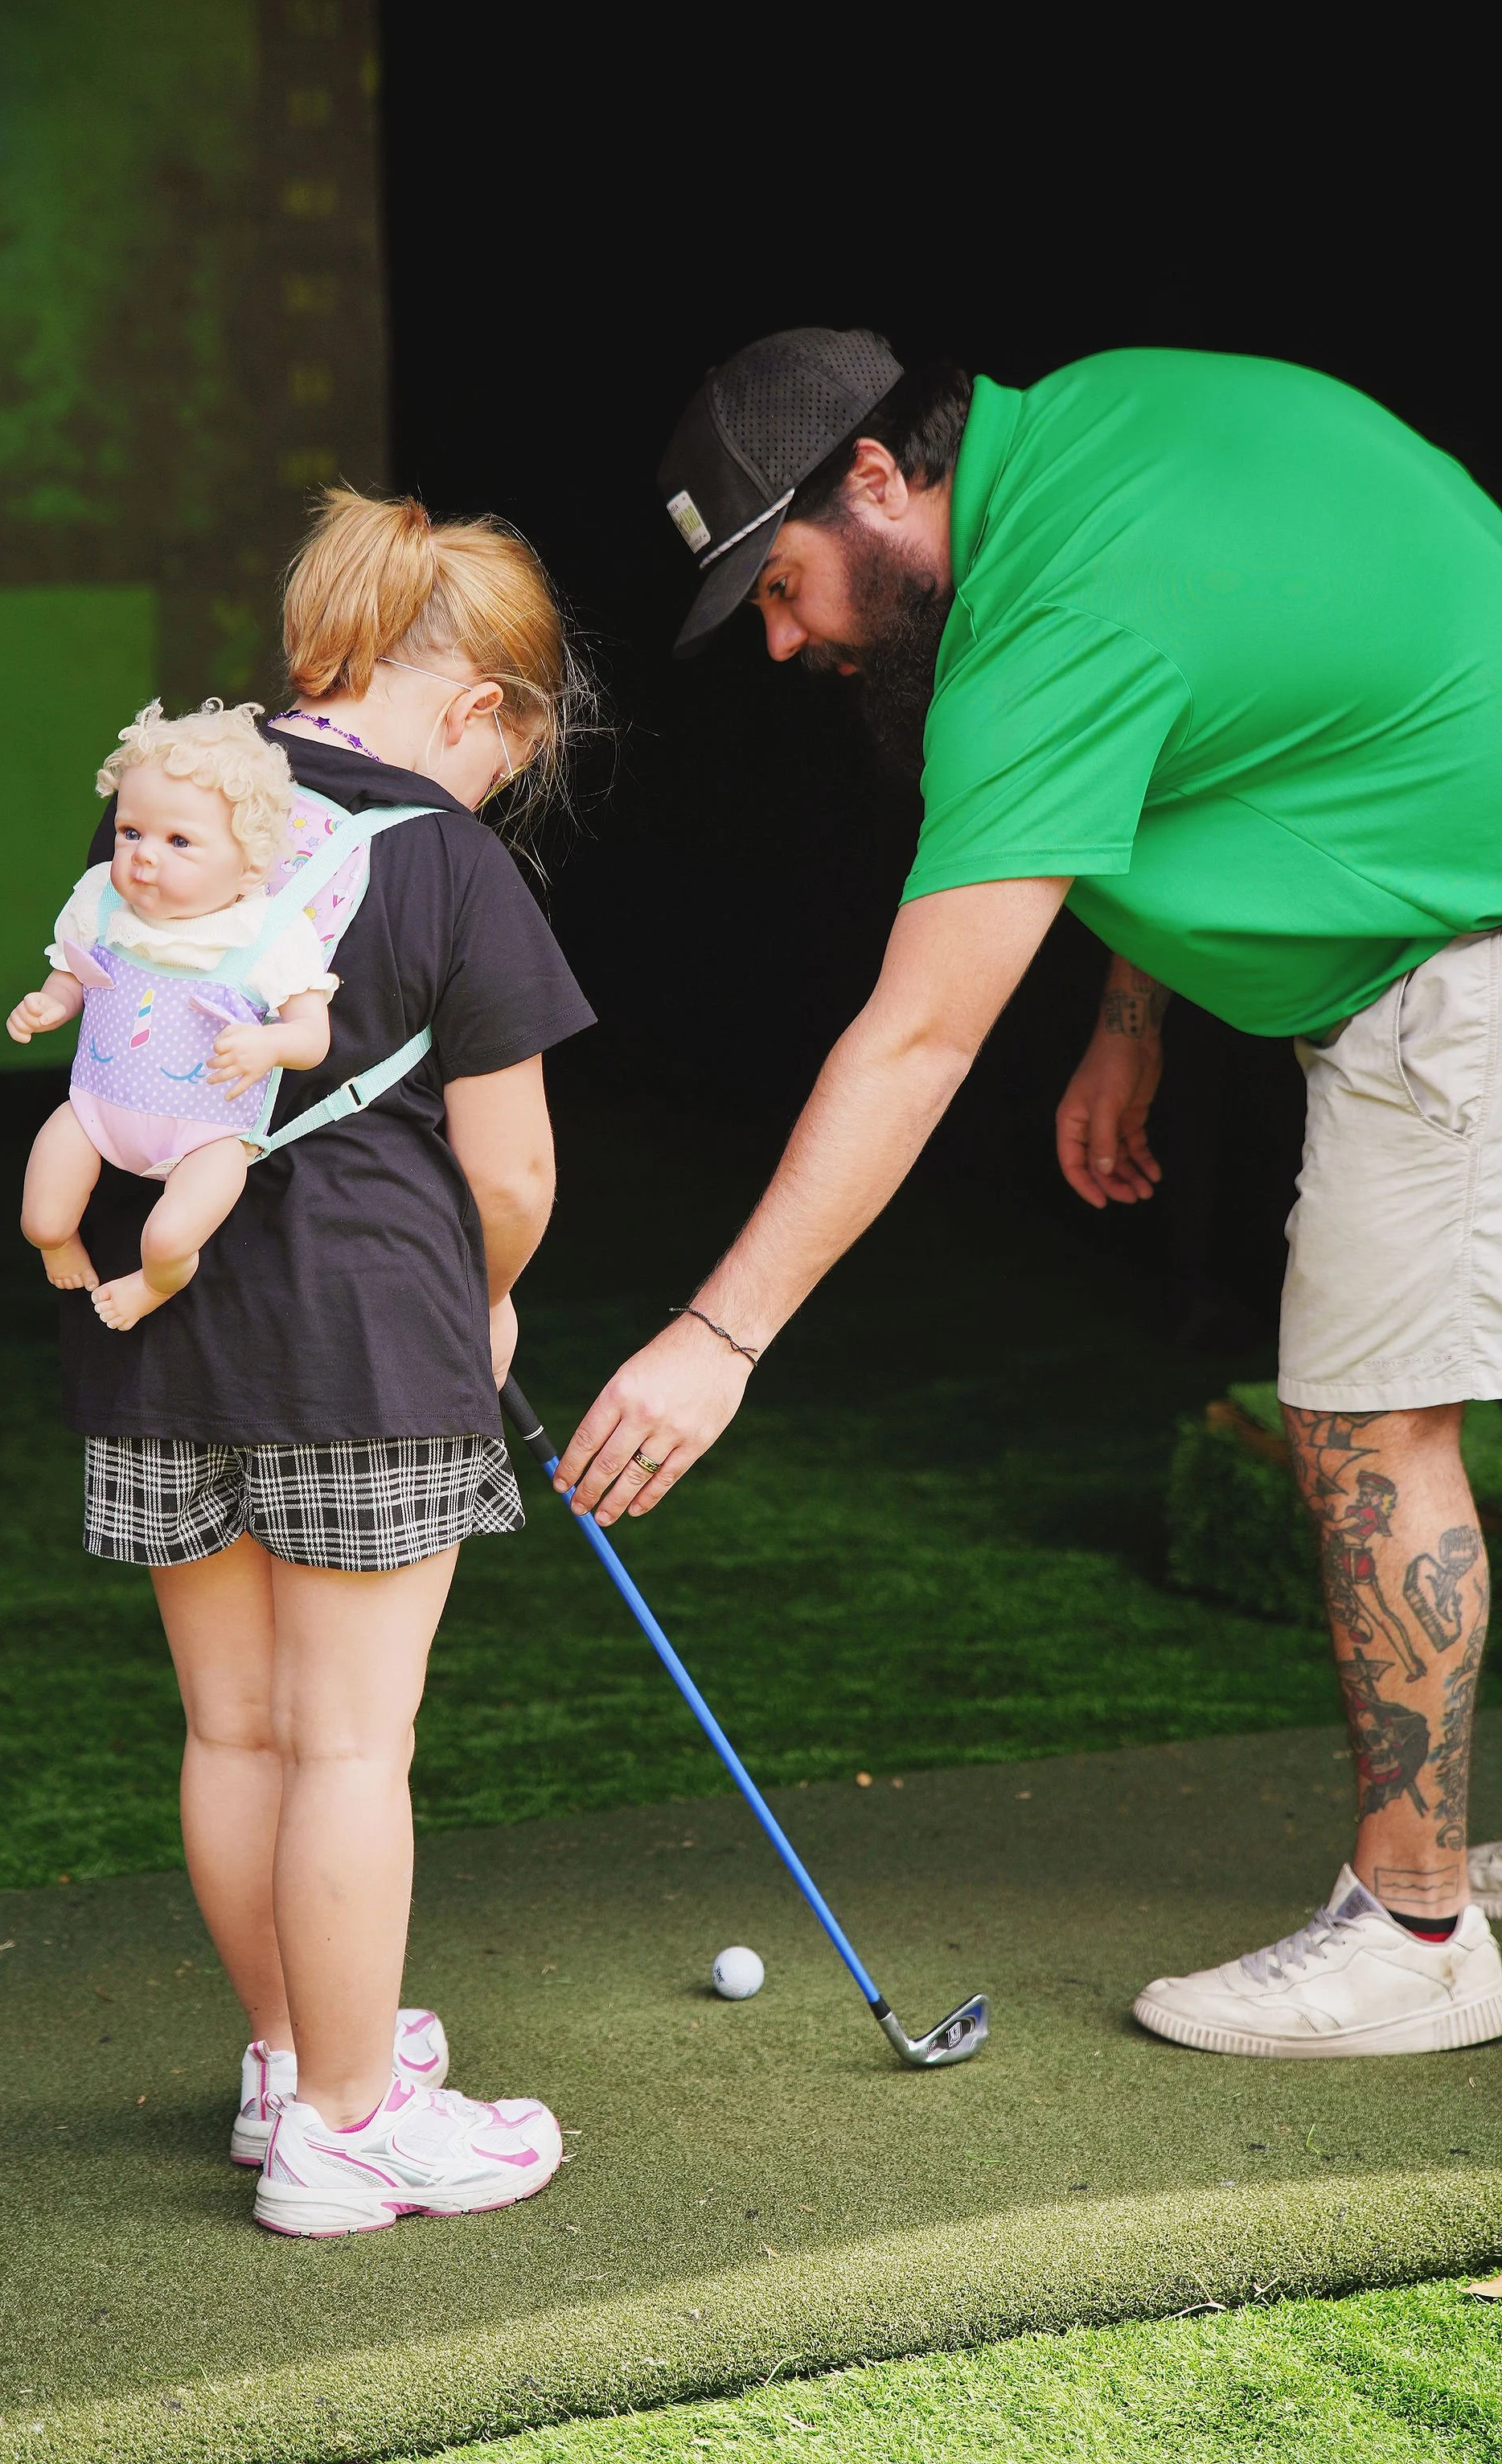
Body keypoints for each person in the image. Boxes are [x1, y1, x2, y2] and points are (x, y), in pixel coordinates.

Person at [560, 329, 1502, 2060]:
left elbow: (914, 1042)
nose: (785, 643)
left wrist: (719, 1333)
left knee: (1371, 1436)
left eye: (778, 591)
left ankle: (1420, 1928)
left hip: (1460, 966)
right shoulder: (1103, 422)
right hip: (1440, 906)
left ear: (870, 481)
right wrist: (1133, 1015)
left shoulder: (1038, 632)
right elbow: (1241, 706)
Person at [63, 487, 597, 2232]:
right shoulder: (443, 858)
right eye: (513, 750)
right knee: (354, 1745)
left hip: (160, 1329)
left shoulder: (178, 820)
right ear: (475, 710)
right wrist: (492, 1293)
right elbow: (510, 1172)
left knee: (235, 1732)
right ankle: (355, 2127)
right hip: (366, 1341)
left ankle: (293, 2068)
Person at [8, 700, 339, 1332]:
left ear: (250, 863)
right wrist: (52, 1002)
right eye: (131, 832)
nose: (143, 855)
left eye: (179, 841)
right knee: (41, 1216)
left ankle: (155, 1286)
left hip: (208, 1137)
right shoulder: (102, 899)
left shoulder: (266, 935)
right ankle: (58, 1243)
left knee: (168, 1240)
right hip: (96, 1108)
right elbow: (73, 973)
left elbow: (312, 1037)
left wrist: (269, 1046)